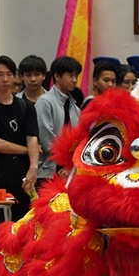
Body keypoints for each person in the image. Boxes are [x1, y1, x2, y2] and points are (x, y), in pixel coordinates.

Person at [0, 55, 40, 230]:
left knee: (25, 223)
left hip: (22, 174)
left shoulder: (26, 107)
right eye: (0, 74)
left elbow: (32, 137)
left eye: (9, 74)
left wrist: (33, 167)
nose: (5, 79)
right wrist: (28, 150)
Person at [33, 55, 80, 187]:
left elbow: (78, 139)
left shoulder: (75, 108)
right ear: (57, 76)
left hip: (69, 171)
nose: (74, 80)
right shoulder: (45, 102)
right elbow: (46, 139)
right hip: (47, 171)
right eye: (70, 75)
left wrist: (70, 166)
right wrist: (64, 162)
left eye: (76, 76)